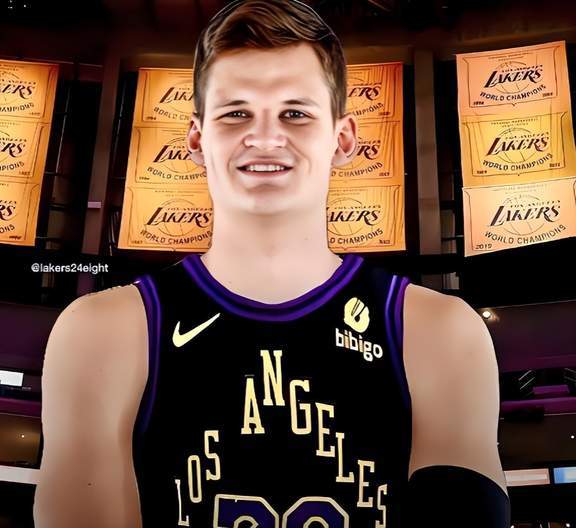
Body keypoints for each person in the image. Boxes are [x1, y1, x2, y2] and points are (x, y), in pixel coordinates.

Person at [34, 1, 510, 526]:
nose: (264, 138)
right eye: (236, 113)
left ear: (343, 139)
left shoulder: (439, 334)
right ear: (197, 139)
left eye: (295, 113)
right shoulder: (101, 335)